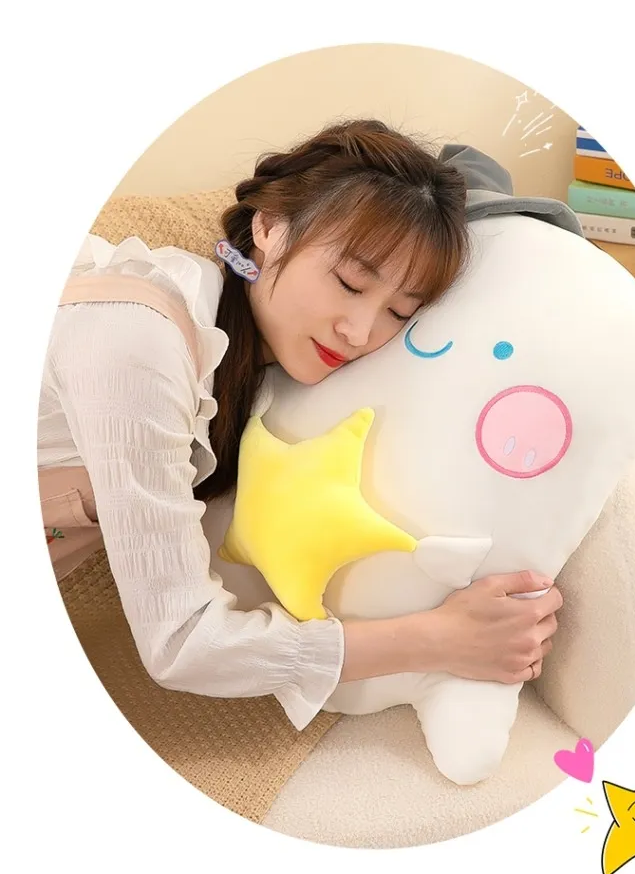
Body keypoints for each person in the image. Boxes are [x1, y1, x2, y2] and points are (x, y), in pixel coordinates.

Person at [38, 119, 563, 731]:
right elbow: (181, 644)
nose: (359, 332)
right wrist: (441, 638)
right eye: (350, 282)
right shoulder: (139, 343)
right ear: (269, 226)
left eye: (398, 313)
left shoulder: (247, 369)